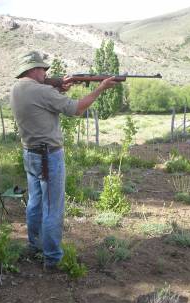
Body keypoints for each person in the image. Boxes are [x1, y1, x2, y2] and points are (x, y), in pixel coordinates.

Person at [10, 50, 118, 271]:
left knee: (35, 203)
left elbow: (40, 99)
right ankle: (52, 259)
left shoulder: (17, 88)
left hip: (30, 153)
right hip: (49, 156)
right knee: (53, 208)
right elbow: (77, 109)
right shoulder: (42, 91)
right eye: (43, 69)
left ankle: (34, 245)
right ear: (33, 70)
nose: (45, 72)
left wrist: (58, 87)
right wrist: (100, 88)